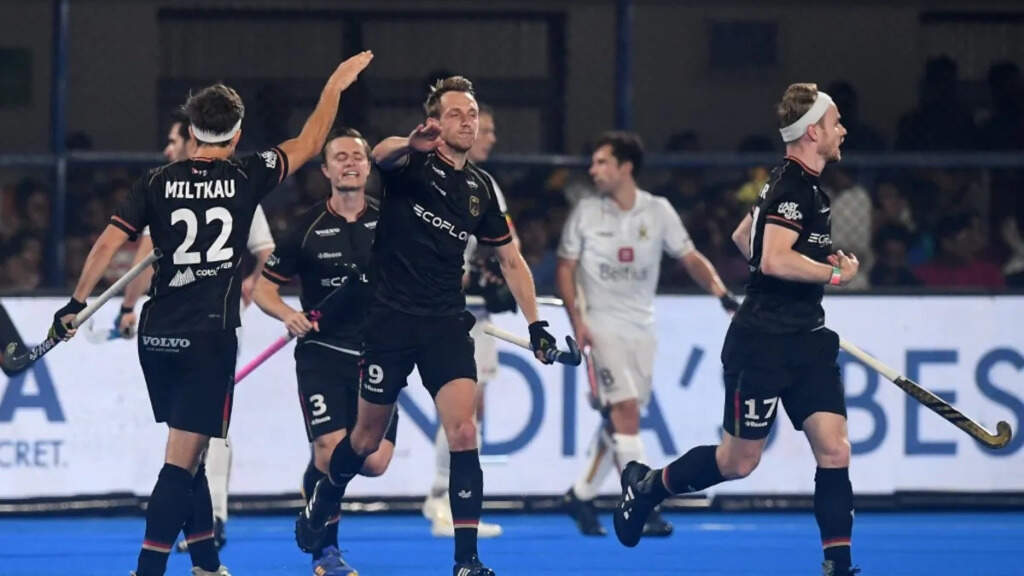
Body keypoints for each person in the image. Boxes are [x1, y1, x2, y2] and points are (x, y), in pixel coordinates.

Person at [50, 51, 374, 576]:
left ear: (192, 129)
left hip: (156, 336)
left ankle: (205, 563)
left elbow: (108, 243)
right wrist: (334, 85)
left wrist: (76, 303)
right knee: (180, 464)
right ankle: (148, 569)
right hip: (208, 337)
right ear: (237, 133)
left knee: (191, 446)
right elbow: (312, 139)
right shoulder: (248, 175)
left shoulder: (156, 181)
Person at [294, 75, 562, 576]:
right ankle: (326, 495)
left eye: (472, 114)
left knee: (464, 431)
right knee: (365, 443)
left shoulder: (481, 189)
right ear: (435, 122)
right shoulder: (410, 163)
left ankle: (466, 560)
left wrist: (537, 325)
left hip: (444, 322)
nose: (467, 122)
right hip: (390, 322)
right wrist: (409, 142)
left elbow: (511, 260)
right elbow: (380, 153)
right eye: (456, 114)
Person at [613, 83, 863, 576]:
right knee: (738, 462)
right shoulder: (793, 190)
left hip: (807, 340)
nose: (843, 130)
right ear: (813, 132)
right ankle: (648, 486)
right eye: (835, 123)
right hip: (763, 345)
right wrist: (834, 274)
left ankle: (838, 565)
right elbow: (771, 259)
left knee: (835, 449)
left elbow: (745, 236)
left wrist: (810, 261)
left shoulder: (795, 185)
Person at [557, 131, 739, 537]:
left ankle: (581, 495)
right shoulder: (585, 212)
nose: (593, 170)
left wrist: (722, 294)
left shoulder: (658, 211)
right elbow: (565, 268)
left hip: (642, 328)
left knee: (621, 418)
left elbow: (689, 257)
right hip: (599, 325)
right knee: (624, 411)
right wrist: (577, 321)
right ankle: (645, 501)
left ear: (626, 168)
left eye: (602, 162)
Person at [115, 108, 278, 552]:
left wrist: (253, 282)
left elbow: (264, 250)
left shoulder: (171, 187)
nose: (168, 149)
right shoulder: (217, 183)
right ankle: (205, 544)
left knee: (200, 432)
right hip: (197, 329)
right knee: (195, 435)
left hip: (201, 328)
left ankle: (208, 526)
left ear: (193, 138)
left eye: (174, 141)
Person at [253, 128, 398, 576]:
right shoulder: (307, 227)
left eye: (358, 156)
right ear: (326, 170)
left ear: (369, 167)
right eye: (341, 157)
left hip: (380, 353)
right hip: (322, 352)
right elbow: (263, 289)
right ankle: (326, 552)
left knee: (374, 462)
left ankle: (316, 488)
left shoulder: (392, 221)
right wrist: (288, 315)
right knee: (329, 449)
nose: (350, 163)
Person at [422, 103, 505, 539]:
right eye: (482, 128)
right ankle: (440, 497)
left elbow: (504, 245)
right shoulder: (426, 177)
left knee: (471, 408)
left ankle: (444, 497)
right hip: (436, 308)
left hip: (469, 310)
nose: (487, 136)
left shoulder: (485, 184)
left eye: (485, 128)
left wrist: (492, 277)